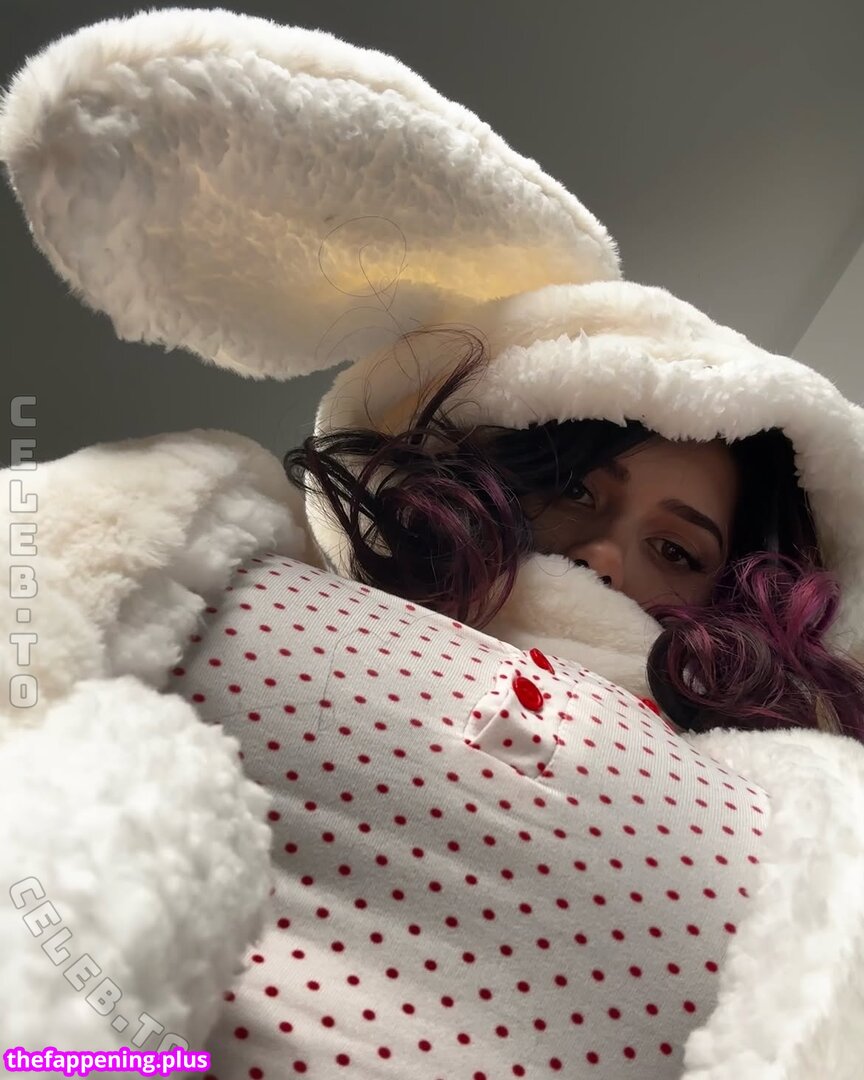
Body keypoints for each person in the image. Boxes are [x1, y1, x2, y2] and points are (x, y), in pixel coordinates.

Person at [284, 327, 864, 743]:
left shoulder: (758, 782)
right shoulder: (293, 603)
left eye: (674, 550)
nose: (602, 556)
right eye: (576, 491)